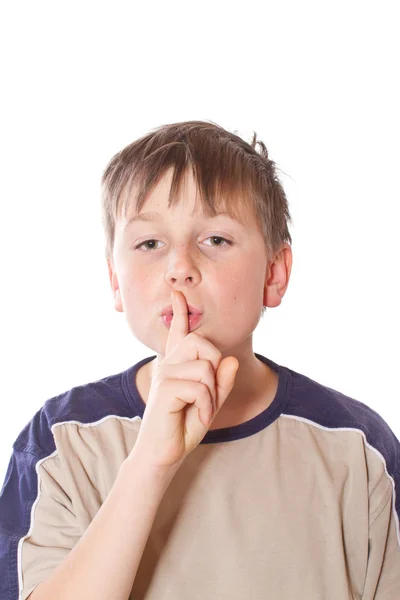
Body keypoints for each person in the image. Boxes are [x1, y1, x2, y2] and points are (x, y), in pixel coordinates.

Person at [0, 120, 399, 600]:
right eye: (150, 244)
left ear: (275, 273)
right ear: (114, 281)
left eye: (215, 240)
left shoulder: (357, 448)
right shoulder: (63, 440)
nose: (179, 268)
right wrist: (149, 462)